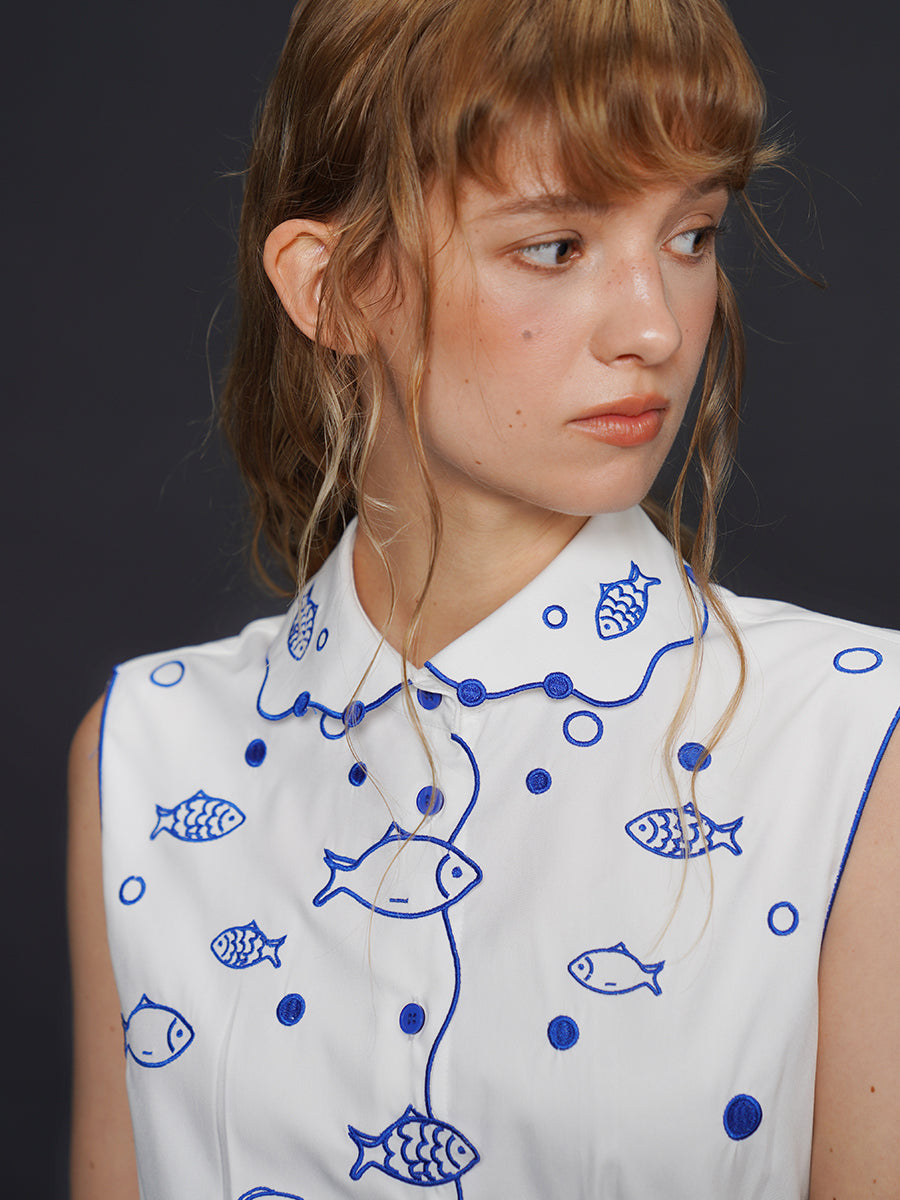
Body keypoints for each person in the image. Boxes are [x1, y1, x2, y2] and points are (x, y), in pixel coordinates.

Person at [68, 0, 900, 1196]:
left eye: (692, 234)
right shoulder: (144, 756)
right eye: (556, 247)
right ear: (334, 287)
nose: (656, 327)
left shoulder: (856, 744)